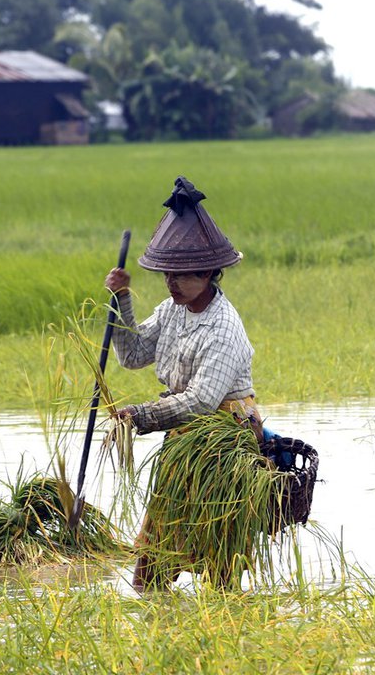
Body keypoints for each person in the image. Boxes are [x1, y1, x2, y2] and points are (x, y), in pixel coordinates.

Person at [104, 176, 262, 592]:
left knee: (218, 548)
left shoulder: (225, 328)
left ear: (209, 273)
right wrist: (121, 300)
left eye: (181, 276)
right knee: (153, 559)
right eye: (167, 276)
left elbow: (201, 402)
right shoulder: (173, 310)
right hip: (183, 440)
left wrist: (140, 415)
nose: (171, 284)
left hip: (222, 441)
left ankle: (229, 628)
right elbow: (134, 355)